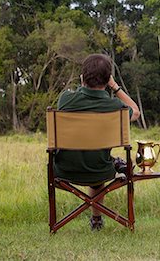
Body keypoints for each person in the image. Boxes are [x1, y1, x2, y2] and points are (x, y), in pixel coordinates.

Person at [54, 53, 140, 230]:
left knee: (92, 159)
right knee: (98, 164)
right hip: (100, 170)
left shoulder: (65, 99)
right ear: (108, 79)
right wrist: (115, 87)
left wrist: (82, 85)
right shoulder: (115, 107)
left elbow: (80, 96)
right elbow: (135, 112)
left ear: (82, 77)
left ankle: (74, 222)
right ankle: (96, 219)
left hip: (63, 170)